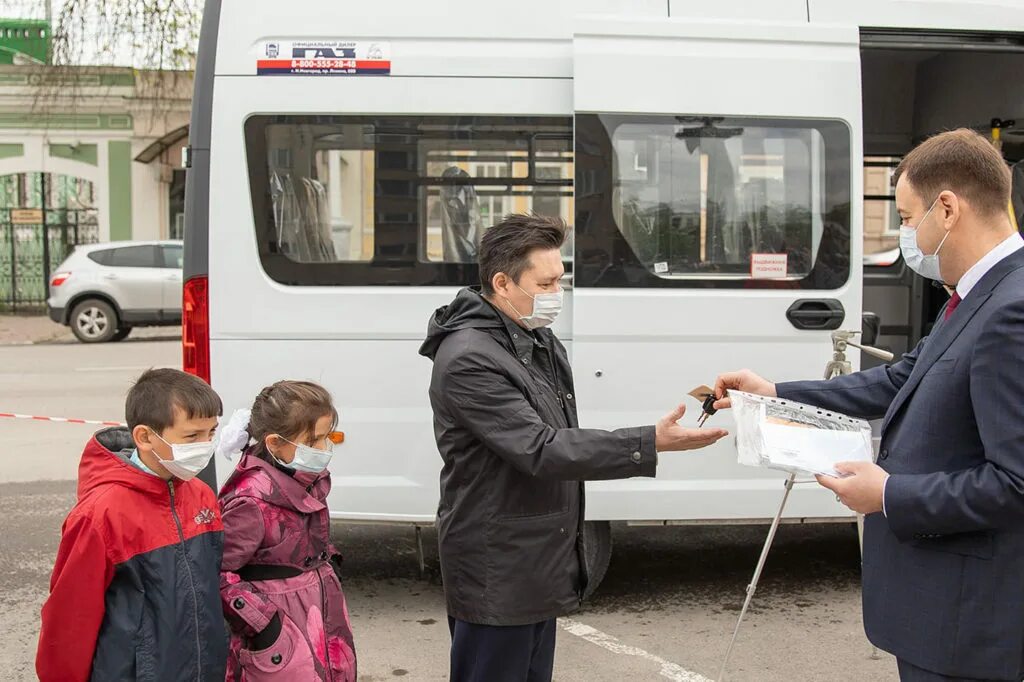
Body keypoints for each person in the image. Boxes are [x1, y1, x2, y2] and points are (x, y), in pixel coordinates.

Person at [714, 129, 1024, 681]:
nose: (906, 233)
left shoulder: (1010, 310)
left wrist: (889, 493)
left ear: (947, 208)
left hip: (968, 626)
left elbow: (1016, 483)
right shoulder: (978, 294)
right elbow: (901, 378)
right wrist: (776, 392)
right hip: (943, 616)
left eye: (907, 217)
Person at [418, 213, 728, 682]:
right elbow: (541, 449)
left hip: (533, 557)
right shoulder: (469, 358)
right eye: (545, 283)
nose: (556, 294)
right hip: (497, 564)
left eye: (559, 280)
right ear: (502, 283)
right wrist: (650, 442)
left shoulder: (532, 337)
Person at [36, 368, 227, 681]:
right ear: (145, 437)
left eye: (211, 433)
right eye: (192, 436)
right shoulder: (101, 514)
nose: (205, 445)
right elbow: (69, 619)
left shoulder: (201, 495)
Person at [216, 380, 356, 681]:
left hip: (320, 620)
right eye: (314, 440)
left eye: (326, 438)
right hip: (281, 635)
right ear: (275, 443)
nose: (324, 449)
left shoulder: (305, 478)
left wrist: (328, 562)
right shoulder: (251, 500)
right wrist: (266, 625)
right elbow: (218, 573)